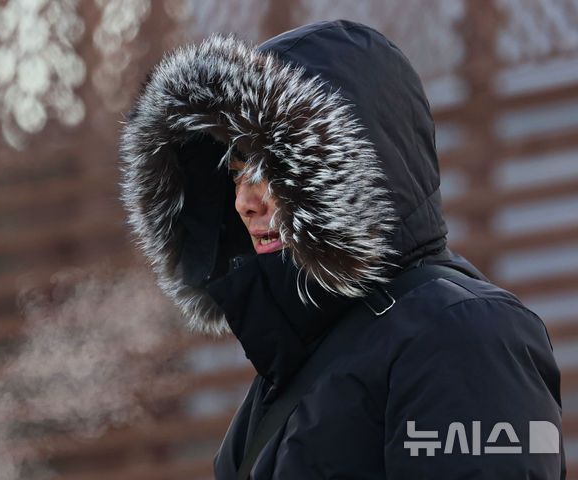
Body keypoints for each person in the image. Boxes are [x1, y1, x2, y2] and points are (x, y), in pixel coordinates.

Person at [119, 20, 565, 479]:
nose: (244, 202)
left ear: (353, 169)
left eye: (270, 169)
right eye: (236, 173)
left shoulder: (463, 337)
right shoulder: (290, 371)